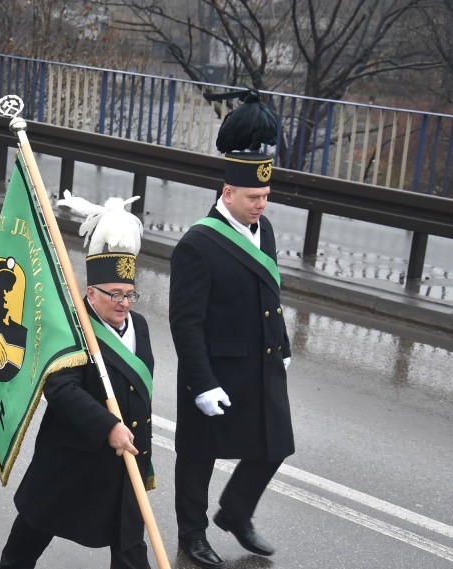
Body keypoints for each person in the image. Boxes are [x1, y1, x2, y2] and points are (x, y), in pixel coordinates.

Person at [0, 200, 155, 569]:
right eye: (114, 294)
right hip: (71, 459)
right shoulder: (71, 330)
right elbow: (61, 390)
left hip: (122, 460)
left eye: (129, 294)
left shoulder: (141, 327)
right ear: (91, 292)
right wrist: (108, 426)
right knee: (25, 544)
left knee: (131, 550)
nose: (124, 303)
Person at [169, 149, 294, 568]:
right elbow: (185, 323)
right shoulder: (197, 244)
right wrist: (202, 384)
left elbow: (270, 296)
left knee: (275, 442)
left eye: (265, 195)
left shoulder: (266, 229)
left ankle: (235, 512)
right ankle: (192, 536)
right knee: (198, 457)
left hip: (262, 362)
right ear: (227, 192)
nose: (261, 204)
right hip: (216, 368)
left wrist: (284, 345)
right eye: (253, 197)